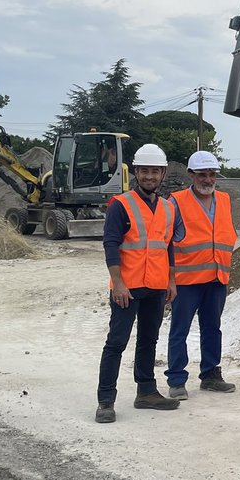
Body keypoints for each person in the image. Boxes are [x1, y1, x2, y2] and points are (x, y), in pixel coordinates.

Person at [95, 143, 179, 423]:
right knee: (116, 342)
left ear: (163, 173)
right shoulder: (121, 205)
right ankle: (105, 400)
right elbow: (110, 244)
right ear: (136, 173)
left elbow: (167, 246)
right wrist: (117, 283)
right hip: (127, 288)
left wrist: (171, 280)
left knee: (148, 340)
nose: (150, 176)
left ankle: (146, 392)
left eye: (155, 171)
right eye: (145, 171)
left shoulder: (168, 208)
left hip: (155, 286)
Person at [165, 150, 237, 399]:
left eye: (212, 174)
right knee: (179, 330)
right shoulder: (175, 202)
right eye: (202, 174)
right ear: (191, 175)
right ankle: (176, 379)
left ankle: (210, 375)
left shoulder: (225, 200)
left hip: (216, 278)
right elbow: (166, 242)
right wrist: (169, 279)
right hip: (186, 281)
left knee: (212, 328)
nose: (208, 179)